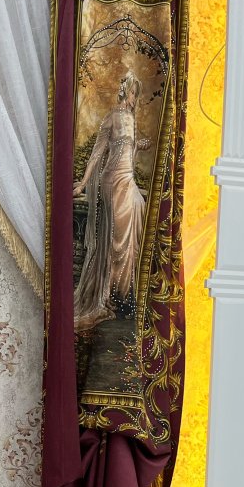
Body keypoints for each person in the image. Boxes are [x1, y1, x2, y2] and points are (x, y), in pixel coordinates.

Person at [72, 69, 152, 331]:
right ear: (124, 91)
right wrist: (83, 183)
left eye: (136, 94)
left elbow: (128, 150)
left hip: (128, 178)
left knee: (138, 212)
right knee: (115, 234)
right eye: (132, 93)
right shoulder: (112, 117)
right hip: (111, 179)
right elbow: (97, 154)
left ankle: (124, 294)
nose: (134, 98)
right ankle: (108, 295)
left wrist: (139, 145)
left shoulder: (131, 118)